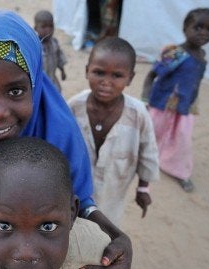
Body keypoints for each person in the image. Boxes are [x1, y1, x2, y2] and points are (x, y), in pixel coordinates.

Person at [0, 10, 132, 269]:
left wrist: (114, 235)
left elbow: (78, 200)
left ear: (35, 82)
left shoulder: (59, 134)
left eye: (16, 91)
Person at [0, 137, 136, 269]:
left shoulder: (96, 255)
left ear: (72, 213)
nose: (26, 254)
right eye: (3, 226)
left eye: (48, 227)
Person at [67, 37, 159, 226]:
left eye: (117, 75)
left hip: (112, 198)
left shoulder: (138, 114)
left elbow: (148, 151)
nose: (106, 82)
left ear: (130, 78)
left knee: (106, 235)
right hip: (71, 197)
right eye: (99, 73)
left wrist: (143, 189)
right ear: (87, 71)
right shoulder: (73, 107)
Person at [141, 8, 209, 193]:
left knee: (181, 139)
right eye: (198, 27)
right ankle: (141, 161)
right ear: (185, 28)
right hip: (162, 104)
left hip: (184, 107)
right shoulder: (176, 53)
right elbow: (152, 74)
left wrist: (193, 103)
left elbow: (195, 82)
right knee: (152, 132)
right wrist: (145, 98)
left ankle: (180, 171)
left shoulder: (202, 57)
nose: (203, 33)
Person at [34, 9, 67, 91]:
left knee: (57, 94)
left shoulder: (54, 43)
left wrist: (62, 71)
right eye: (43, 27)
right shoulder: (35, 46)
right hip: (39, 82)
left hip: (52, 79)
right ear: (36, 28)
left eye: (51, 26)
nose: (48, 30)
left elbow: (59, 57)